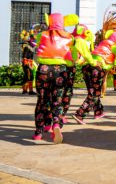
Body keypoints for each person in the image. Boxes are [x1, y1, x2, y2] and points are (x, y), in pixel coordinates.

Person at [33, 13, 79, 143]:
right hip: (61, 71)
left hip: (44, 70)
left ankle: (38, 133)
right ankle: (56, 125)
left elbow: (37, 48)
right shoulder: (70, 37)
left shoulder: (42, 35)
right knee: (57, 101)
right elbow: (73, 57)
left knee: (42, 101)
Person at [20, 28, 38, 95]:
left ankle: (27, 90)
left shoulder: (31, 47)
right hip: (27, 63)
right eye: (34, 39)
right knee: (29, 76)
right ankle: (27, 90)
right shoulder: (27, 47)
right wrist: (27, 64)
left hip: (29, 63)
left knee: (28, 76)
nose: (35, 40)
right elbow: (25, 57)